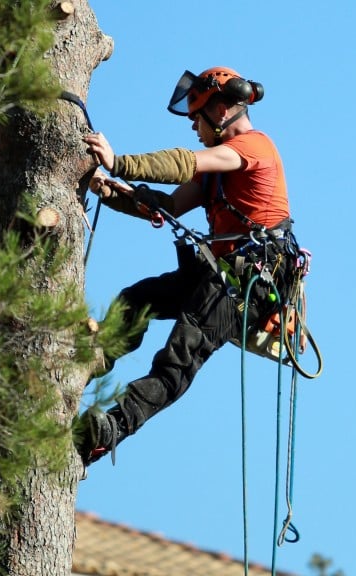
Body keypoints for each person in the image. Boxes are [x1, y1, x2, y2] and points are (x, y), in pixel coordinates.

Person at [76, 66, 299, 466]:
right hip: (219, 273)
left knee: (178, 357)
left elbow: (182, 163)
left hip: (248, 282)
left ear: (221, 111)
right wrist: (110, 191)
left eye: (197, 116)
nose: (194, 126)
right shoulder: (216, 174)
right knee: (137, 299)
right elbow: (170, 204)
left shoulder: (253, 148)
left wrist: (119, 162)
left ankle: (111, 429)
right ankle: (93, 357)